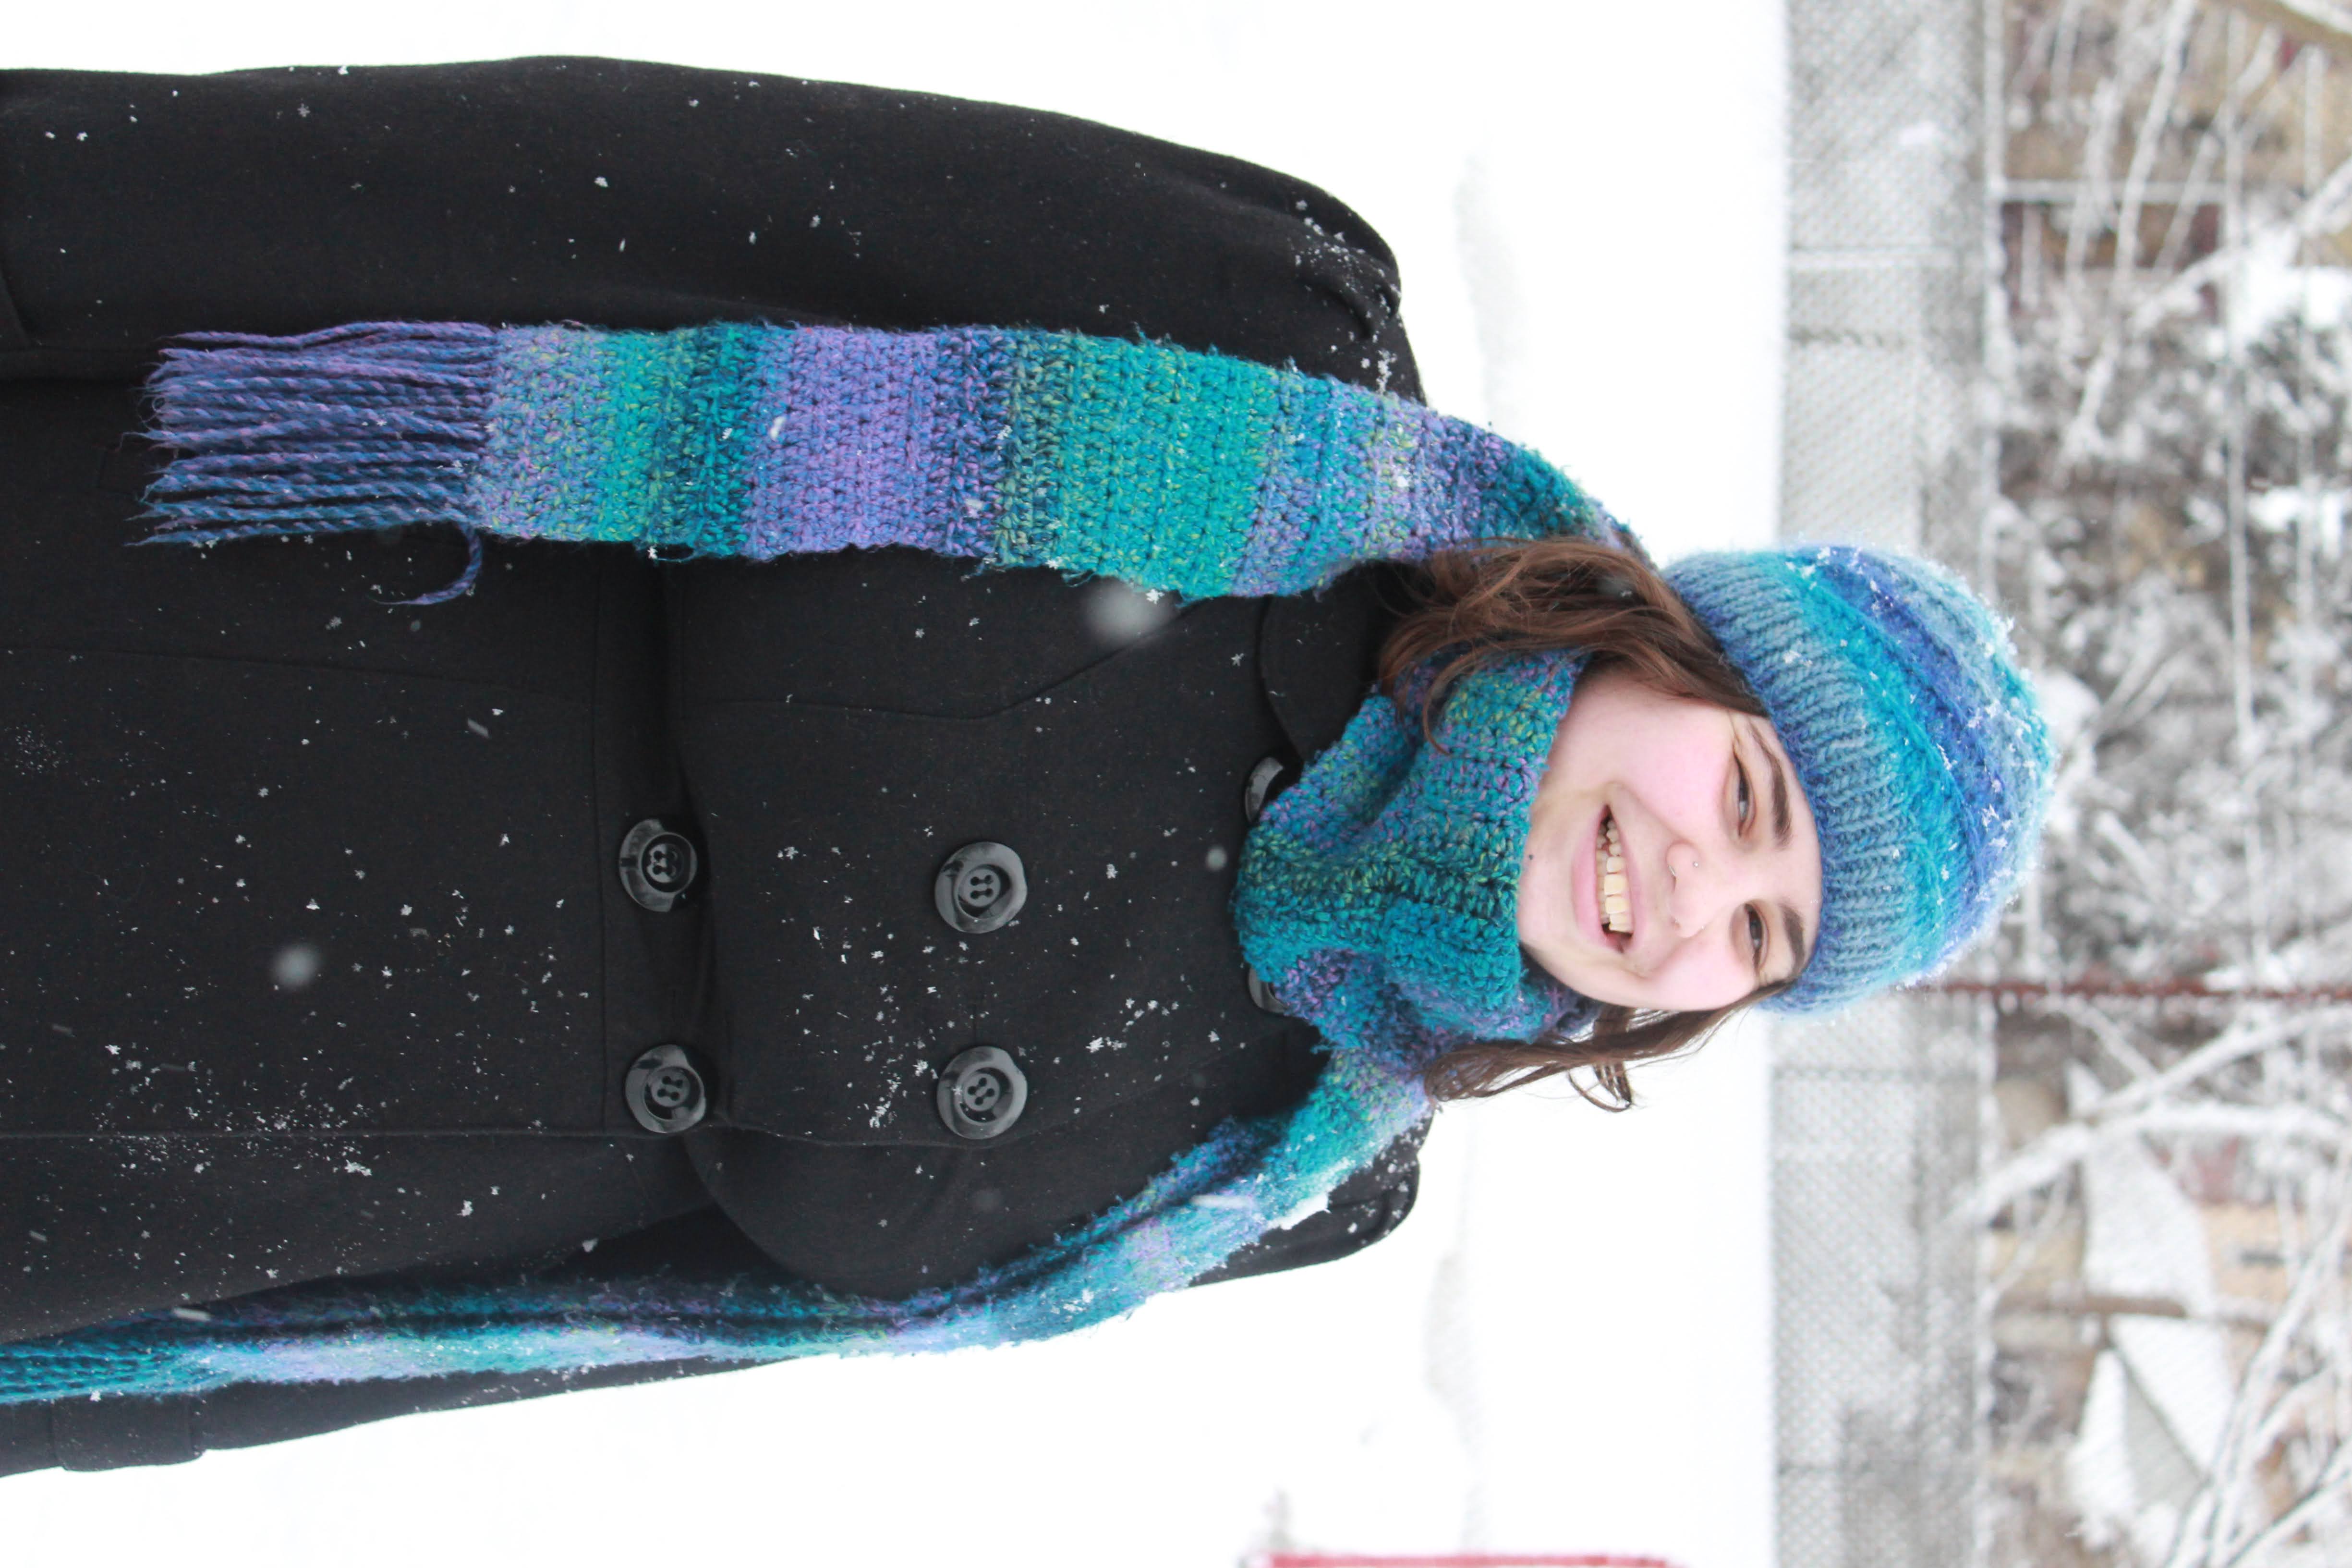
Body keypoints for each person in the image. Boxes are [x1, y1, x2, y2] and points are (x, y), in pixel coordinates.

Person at [0, 57, 2051, 1473]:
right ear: (1669, 649)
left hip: (121, 1168)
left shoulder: (1289, 1171)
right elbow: (591, 184)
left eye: (1764, 939)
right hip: (141, 661)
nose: (1697, 896)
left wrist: (78, 1396)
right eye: (1753, 802)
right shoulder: (1271, 365)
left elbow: (583, 1309)